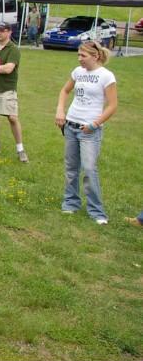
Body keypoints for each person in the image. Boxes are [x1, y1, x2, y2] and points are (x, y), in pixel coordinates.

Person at [55, 41, 117, 224]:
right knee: (71, 168)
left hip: (89, 130)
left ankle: (97, 212)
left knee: (89, 169)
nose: (79, 59)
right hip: (71, 125)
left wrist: (95, 124)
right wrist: (60, 111)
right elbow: (65, 91)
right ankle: (71, 203)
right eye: (78, 55)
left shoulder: (106, 76)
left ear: (95, 56)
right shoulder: (78, 72)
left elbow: (113, 106)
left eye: (83, 56)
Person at [0, 22, 28, 162]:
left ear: (9, 32)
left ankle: (20, 149)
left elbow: (8, 69)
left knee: (12, 118)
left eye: (3, 31)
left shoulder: (13, 49)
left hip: (7, 89)